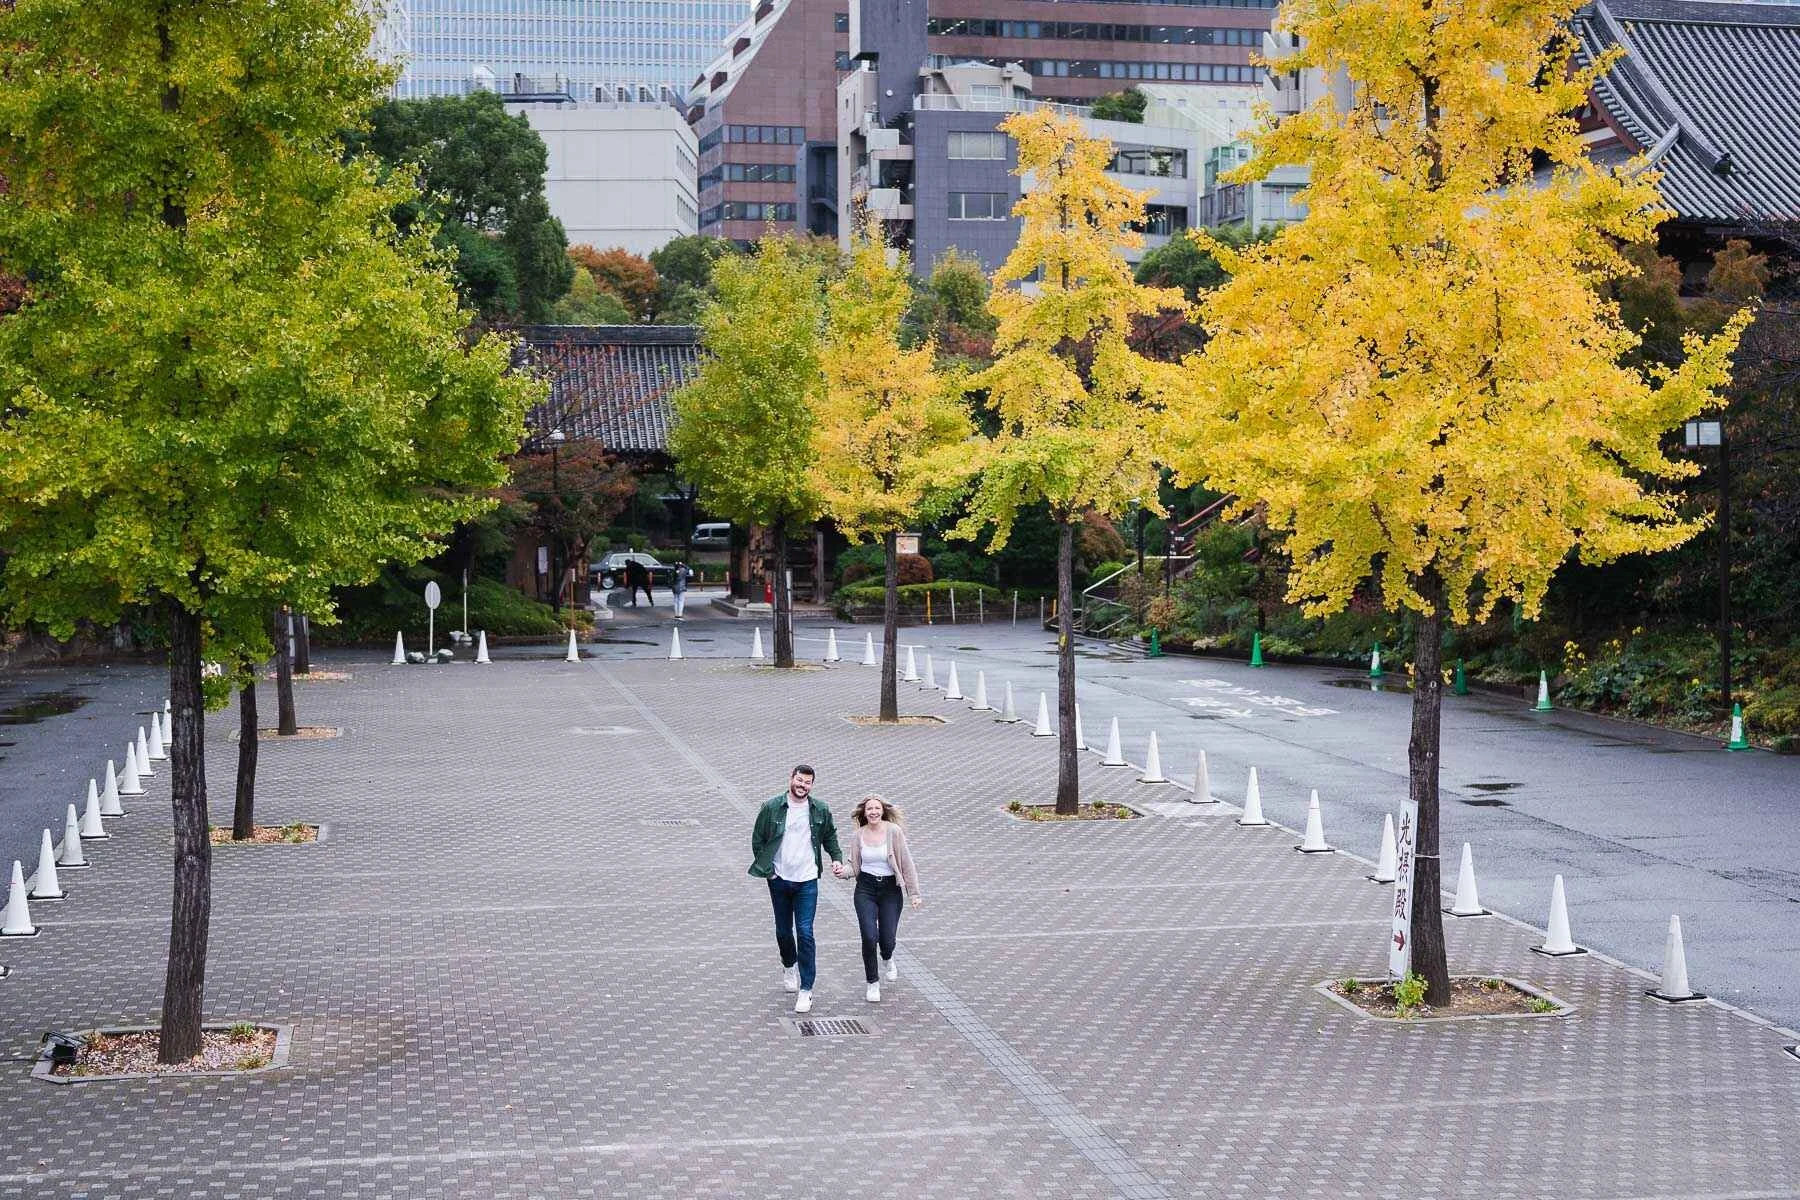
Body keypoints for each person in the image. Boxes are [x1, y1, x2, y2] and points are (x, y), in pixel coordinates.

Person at [748, 765, 845, 1013]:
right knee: (783, 931)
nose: (803, 786)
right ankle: (788, 964)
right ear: (791, 780)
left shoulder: (820, 809)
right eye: (799, 780)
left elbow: (829, 836)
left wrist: (836, 857)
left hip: (807, 879)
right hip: (779, 878)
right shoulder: (772, 807)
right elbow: (758, 838)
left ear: (812, 786)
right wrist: (768, 870)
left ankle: (806, 989)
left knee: (805, 931)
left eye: (808, 783)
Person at [844, 794, 922, 1003]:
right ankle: (872, 982)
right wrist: (841, 871)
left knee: (887, 939)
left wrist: (913, 893)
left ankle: (887, 957)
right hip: (865, 889)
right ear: (864, 813)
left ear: (883, 811)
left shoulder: (893, 832)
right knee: (869, 937)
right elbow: (854, 866)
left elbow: (906, 863)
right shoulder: (858, 835)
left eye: (876, 808)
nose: (873, 812)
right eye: (869, 809)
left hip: (890, 890)